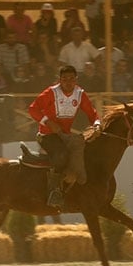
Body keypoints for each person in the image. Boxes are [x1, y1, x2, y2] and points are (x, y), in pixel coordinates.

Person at [28, 65, 101, 208]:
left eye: (71, 79)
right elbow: (33, 109)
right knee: (61, 155)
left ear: (76, 80)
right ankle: (54, 192)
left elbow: (92, 114)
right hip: (47, 135)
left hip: (65, 136)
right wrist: (48, 122)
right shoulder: (51, 92)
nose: (68, 82)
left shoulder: (80, 94)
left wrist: (97, 125)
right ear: (59, 80)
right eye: (65, 79)